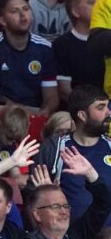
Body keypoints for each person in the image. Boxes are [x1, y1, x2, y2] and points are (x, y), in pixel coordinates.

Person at [16, 148, 110, 239]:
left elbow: (103, 204)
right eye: (55, 207)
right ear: (37, 214)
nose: (64, 212)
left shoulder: (77, 235)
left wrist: (90, 174)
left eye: (66, 206)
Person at [34, 86, 111, 226]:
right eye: (101, 107)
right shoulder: (54, 147)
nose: (109, 112)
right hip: (69, 238)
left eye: (108, 106)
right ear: (82, 115)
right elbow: (33, 199)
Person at [0, 0, 59, 115]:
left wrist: (45, 111)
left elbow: (51, 95)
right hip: (3, 110)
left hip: (34, 111)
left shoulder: (44, 47)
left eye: (26, 9)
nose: (23, 14)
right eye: (14, 11)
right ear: (2, 20)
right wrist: (21, 111)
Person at [54, 0, 104, 101]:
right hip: (78, 112)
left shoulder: (107, 41)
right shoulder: (62, 45)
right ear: (75, 11)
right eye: (92, 2)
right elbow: (64, 90)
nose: (99, 6)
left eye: (100, 2)